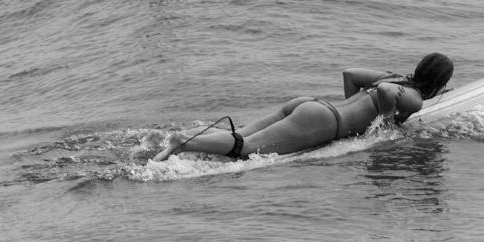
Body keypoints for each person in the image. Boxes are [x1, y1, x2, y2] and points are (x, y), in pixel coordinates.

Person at [152, 53, 455, 161]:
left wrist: (349, 106)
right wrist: (386, 122)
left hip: (314, 106)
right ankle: (183, 142)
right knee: (245, 149)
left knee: (243, 134)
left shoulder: (393, 76)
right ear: (439, 83)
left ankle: (182, 138)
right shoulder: (413, 97)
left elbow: (350, 74)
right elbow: (389, 94)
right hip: (322, 122)